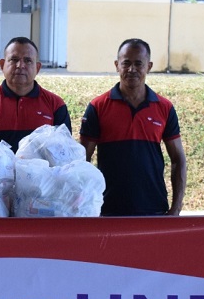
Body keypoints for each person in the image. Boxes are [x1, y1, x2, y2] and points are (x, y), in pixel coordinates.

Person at [79, 38, 186, 216]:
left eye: (138, 63)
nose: (132, 69)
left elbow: (178, 159)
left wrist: (176, 208)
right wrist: (86, 206)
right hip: (107, 210)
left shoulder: (164, 107)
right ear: (117, 65)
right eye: (126, 63)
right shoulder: (98, 107)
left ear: (149, 66)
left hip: (154, 209)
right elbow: (82, 162)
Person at [0, 36, 70, 152]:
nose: (20, 65)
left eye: (27, 60)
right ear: (2, 65)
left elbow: (63, 153)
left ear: (37, 68)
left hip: (42, 170)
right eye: (14, 59)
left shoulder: (55, 104)